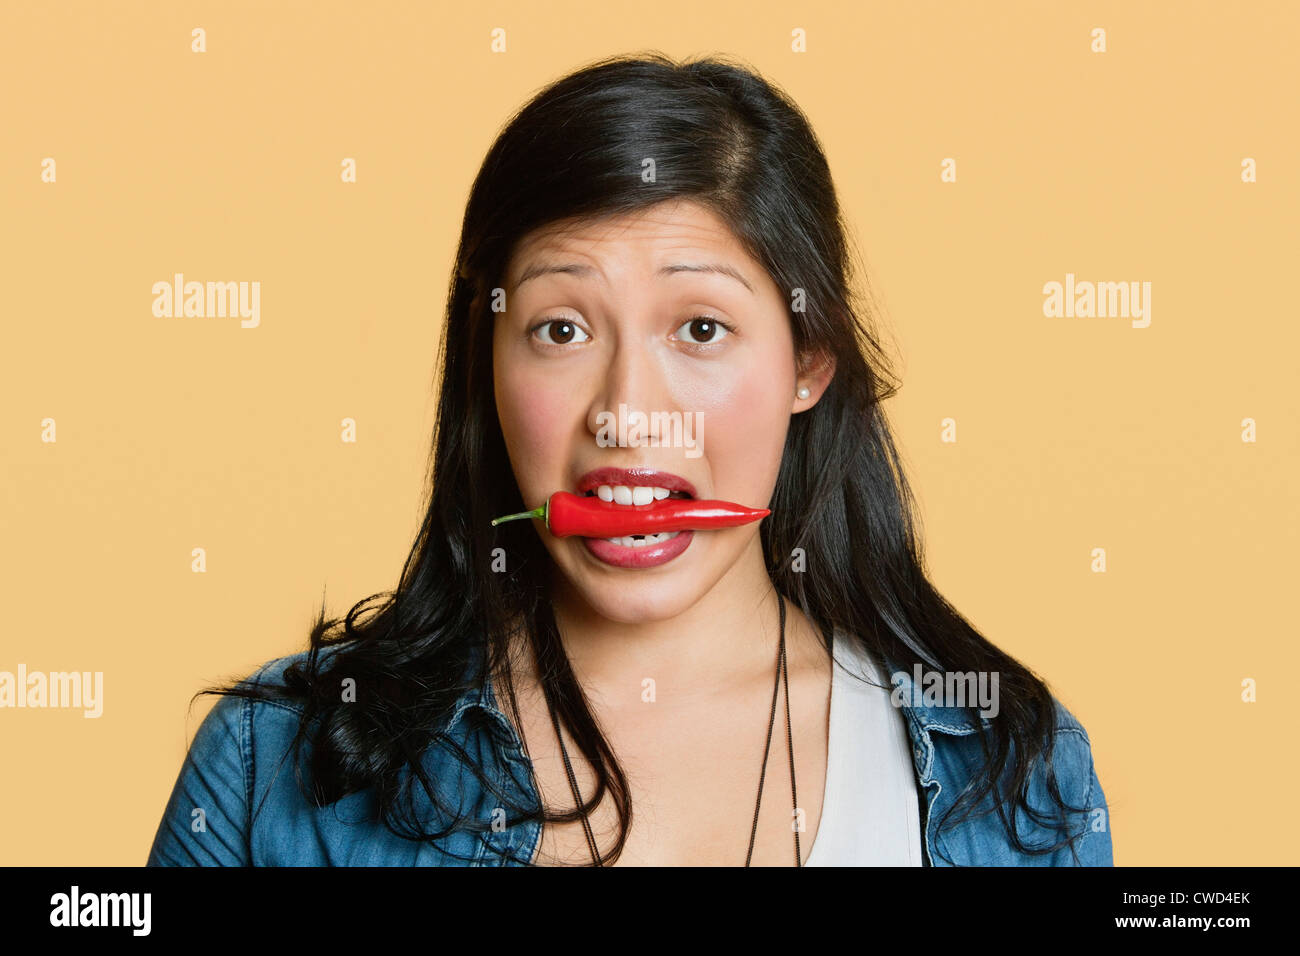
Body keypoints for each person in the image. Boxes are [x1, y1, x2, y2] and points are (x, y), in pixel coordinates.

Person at [147, 52, 1111, 867]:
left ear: (808, 363)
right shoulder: (267, 765)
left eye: (700, 327)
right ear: (489, 361)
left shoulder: (1016, 776)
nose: (627, 415)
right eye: (561, 329)